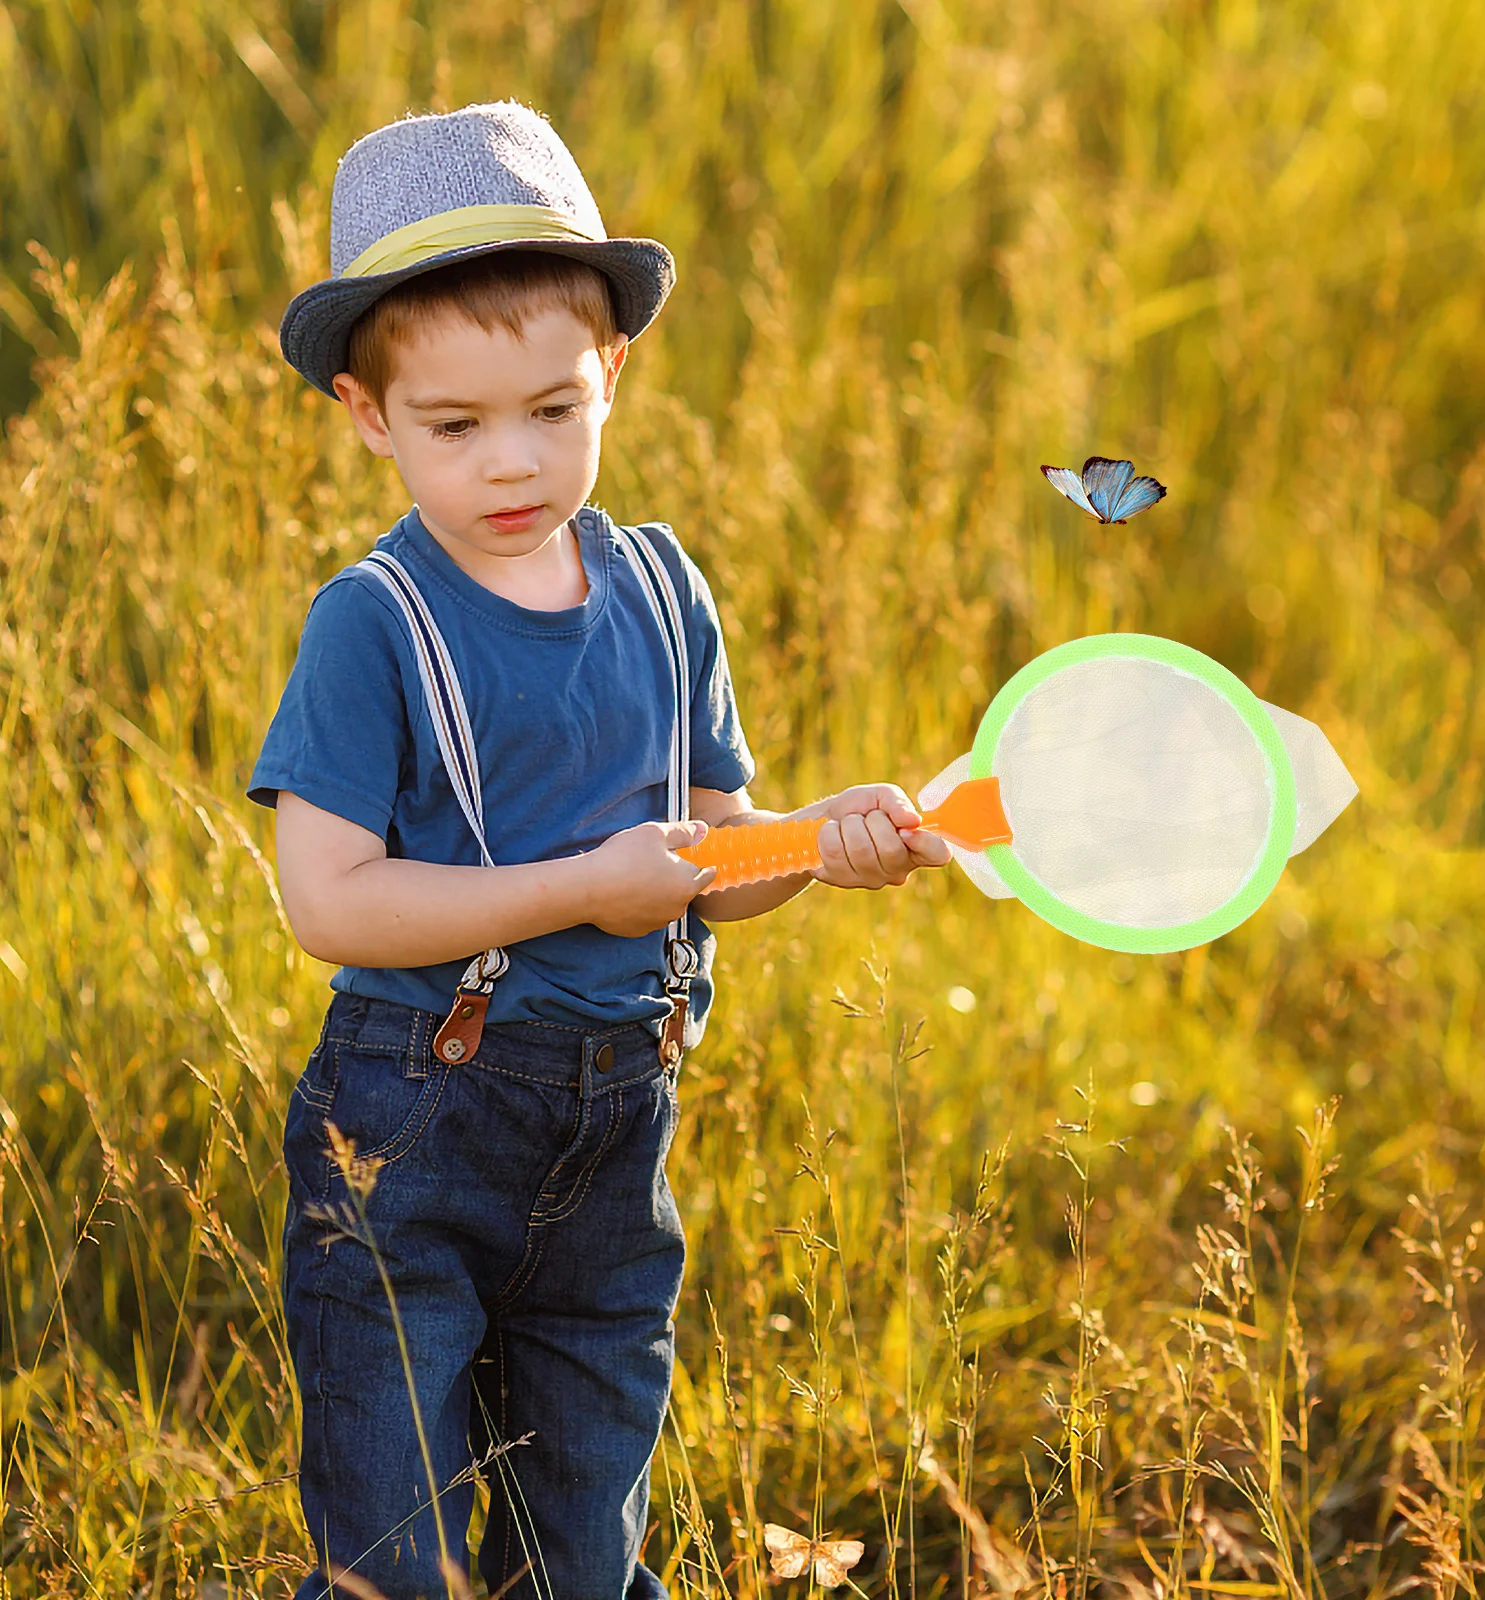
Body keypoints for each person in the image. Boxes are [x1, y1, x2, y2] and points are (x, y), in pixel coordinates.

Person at [250, 100, 949, 1600]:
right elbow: (327, 901)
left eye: (553, 411)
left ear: (611, 371)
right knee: (396, 1540)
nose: (513, 463)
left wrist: (822, 846)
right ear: (369, 415)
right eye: (455, 426)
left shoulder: (655, 587)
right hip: (416, 1127)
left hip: (617, 1127)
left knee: (583, 1530)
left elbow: (707, 848)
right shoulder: (374, 625)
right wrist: (585, 888)